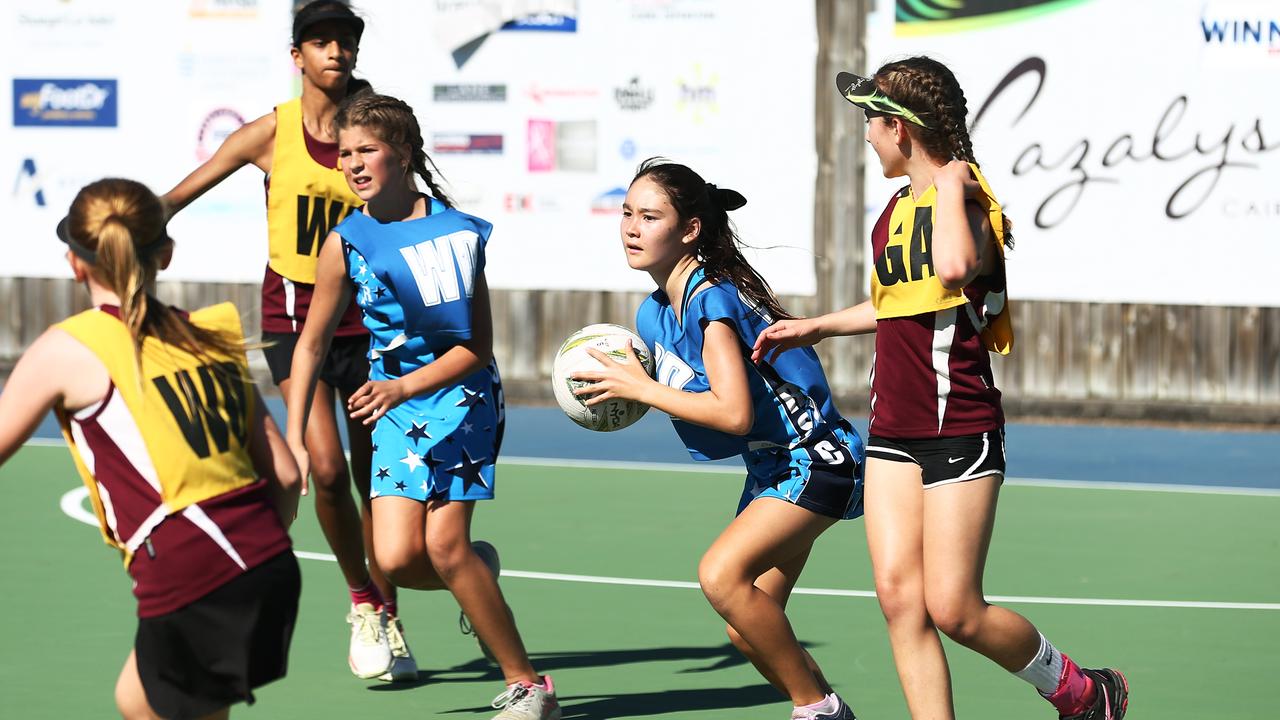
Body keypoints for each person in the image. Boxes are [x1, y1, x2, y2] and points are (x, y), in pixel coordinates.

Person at [753, 57, 1129, 720]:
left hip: (960, 429)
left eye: (874, 120)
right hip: (894, 432)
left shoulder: (969, 203)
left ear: (902, 128)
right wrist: (814, 326)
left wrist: (953, 186)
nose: (867, 134)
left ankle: (1082, 691)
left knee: (956, 609)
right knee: (900, 600)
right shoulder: (895, 212)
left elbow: (954, 267)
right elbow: (898, 303)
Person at [284, 92, 560, 720]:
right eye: (344, 153)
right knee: (396, 559)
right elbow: (311, 346)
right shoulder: (346, 242)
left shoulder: (458, 235)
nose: (352, 164)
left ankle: (529, 686)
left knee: (444, 545)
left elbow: (476, 348)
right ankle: (477, 574)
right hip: (397, 412)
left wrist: (403, 387)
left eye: (367, 151)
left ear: (402, 153)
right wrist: (296, 434)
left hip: (461, 400)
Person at [160, 0, 413, 680]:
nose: (336, 51)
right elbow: (177, 196)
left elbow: (417, 206)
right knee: (324, 470)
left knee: (372, 477)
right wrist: (132, 222)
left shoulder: (378, 129)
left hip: (372, 326)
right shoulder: (270, 134)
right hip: (292, 321)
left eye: (346, 41)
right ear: (297, 55)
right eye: (321, 41)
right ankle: (365, 602)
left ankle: (389, 609)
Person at [573, 158, 864, 720]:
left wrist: (640, 386)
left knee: (721, 576)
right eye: (627, 212)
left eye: (650, 216)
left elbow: (731, 413)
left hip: (816, 458)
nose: (632, 227)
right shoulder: (655, 312)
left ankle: (818, 709)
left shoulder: (712, 298)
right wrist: (631, 386)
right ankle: (829, 709)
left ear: (690, 230)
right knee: (747, 629)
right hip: (774, 469)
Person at [0, 178, 303, 719]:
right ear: (165, 254)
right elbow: (282, 475)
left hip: (193, 568)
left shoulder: (68, 348)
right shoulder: (207, 334)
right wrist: (252, 553)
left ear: (75, 263)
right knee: (137, 699)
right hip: (265, 557)